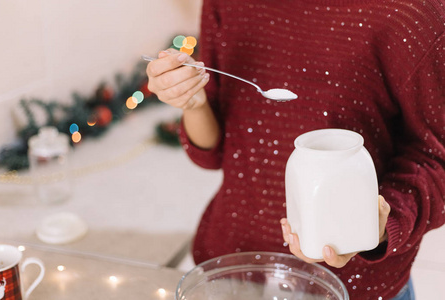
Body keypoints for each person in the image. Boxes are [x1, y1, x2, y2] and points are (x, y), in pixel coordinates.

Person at [146, 0, 444, 299]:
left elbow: (437, 156)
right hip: (233, 268)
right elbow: (213, 152)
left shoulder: (412, 12)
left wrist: (378, 225)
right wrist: (193, 104)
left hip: (353, 284)